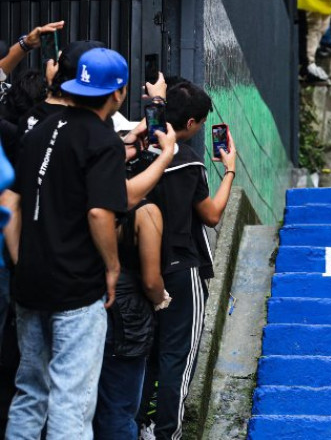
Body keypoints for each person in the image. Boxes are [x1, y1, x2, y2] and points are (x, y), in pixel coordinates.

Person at [1, 47, 142, 439]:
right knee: (72, 401)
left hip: (30, 286)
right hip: (77, 290)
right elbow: (100, 212)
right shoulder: (103, 140)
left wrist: (22, 260)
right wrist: (112, 268)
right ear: (118, 93)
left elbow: (9, 200)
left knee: (30, 391)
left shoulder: (39, 128)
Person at [137, 80, 237, 440]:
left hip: (143, 271)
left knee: (147, 354)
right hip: (182, 270)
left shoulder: (140, 152)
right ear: (193, 123)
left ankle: (140, 426)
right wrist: (229, 171)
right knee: (177, 359)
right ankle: (169, 433)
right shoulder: (190, 162)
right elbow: (210, 215)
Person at [93, 201, 169, 440]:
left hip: (82, 301)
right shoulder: (146, 211)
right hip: (126, 317)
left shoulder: (83, 195)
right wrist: (161, 298)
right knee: (119, 408)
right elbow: (151, 281)